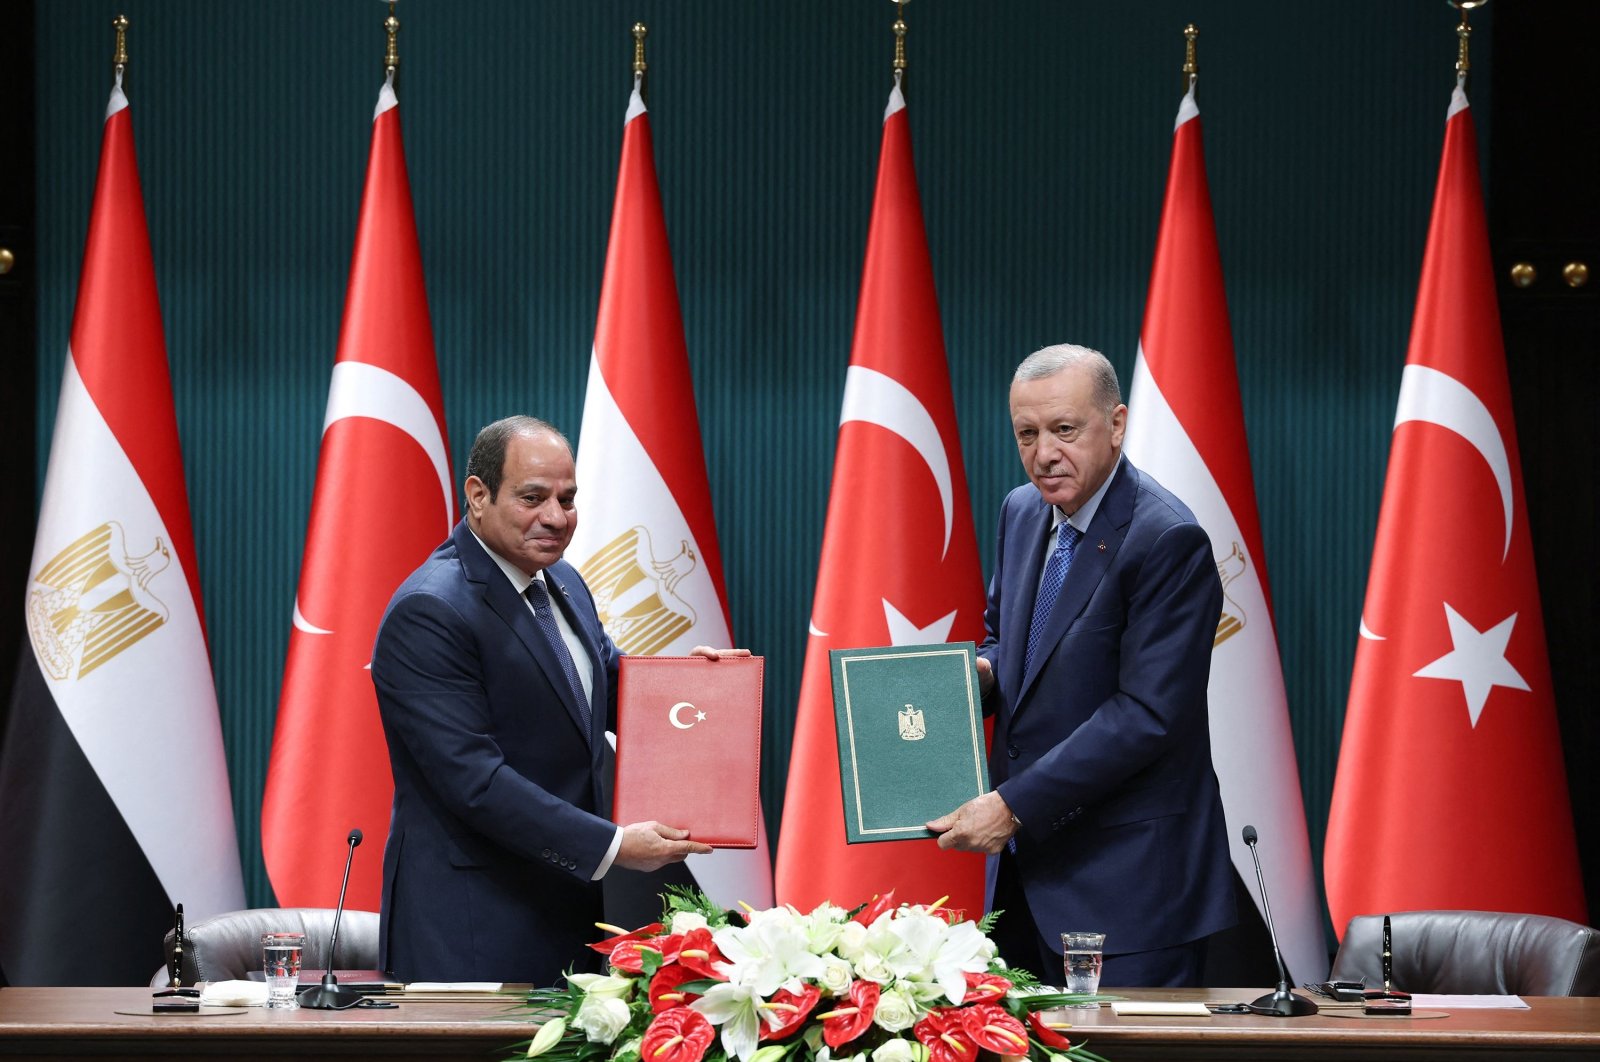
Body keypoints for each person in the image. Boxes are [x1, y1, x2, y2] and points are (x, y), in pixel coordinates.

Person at [372, 415, 729, 984]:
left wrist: (701, 689)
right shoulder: (431, 610)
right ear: (478, 496)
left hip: (569, 912)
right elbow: (475, 781)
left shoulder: (561, 582)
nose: (556, 519)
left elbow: (611, 692)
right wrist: (612, 845)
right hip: (474, 927)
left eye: (567, 498)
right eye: (533, 497)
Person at [927, 345, 1235, 988]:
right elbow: (1005, 644)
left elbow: (1146, 714)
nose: (1044, 453)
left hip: (1131, 891)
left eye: (1065, 430)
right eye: (1027, 434)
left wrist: (1011, 806)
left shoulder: (1167, 538)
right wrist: (970, 679)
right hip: (1027, 884)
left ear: (1116, 424)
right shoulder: (1022, 512)